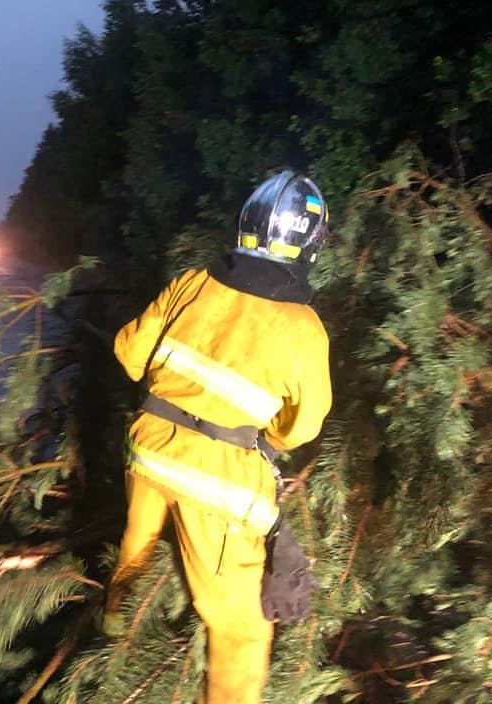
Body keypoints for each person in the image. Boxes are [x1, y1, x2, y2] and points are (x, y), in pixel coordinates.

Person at [103, 172, 333, 704]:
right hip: (221, 487)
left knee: (136, 547)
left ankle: (116, 620)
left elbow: (129, 353)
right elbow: (304, 425)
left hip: (148, 450)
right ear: (308, 244)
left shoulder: (192, 283)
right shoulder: (304, 328)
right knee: (242, 631)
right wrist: (262, 434)